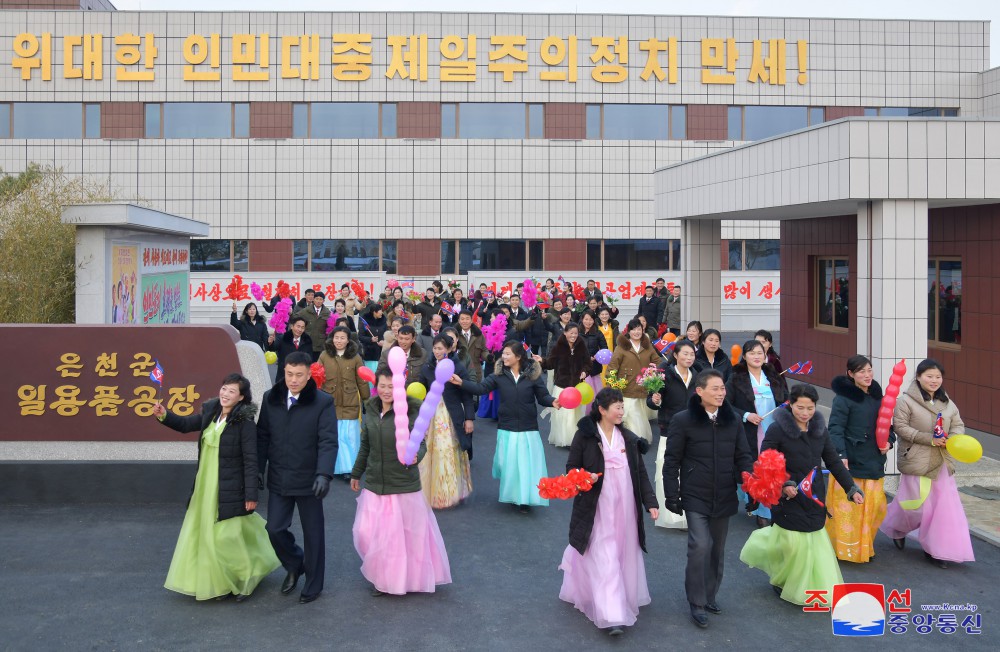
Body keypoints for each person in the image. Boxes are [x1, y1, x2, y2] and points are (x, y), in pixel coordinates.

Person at [154, 373, 280, 602]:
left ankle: (246, 578)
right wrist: (164, 416)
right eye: (224, 388)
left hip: (230, 487)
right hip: (205, 485)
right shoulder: (211, 412)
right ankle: (219, 583)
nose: (225, 394)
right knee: (206, 535)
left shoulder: (245, 422)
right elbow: (185, 425)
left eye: (232, 391)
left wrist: (251, 494)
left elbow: (251, 460)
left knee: (228, 537)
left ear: (241, 397)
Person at [740, 385, 863, 604]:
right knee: (792, 543)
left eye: (810, 408)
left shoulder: (819, 430)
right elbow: (766, 459)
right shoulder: (777, 429)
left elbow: (833, 461)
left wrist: (851, 488)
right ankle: (782, 578)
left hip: (813, 494)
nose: (805, 413)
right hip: (787, 495)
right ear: (790, 404)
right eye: (800, 407)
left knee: (812, 542)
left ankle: (807, 584)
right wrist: (784, 483)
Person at [558, 389, 659, 637]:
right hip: (597, 504)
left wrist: (650, 502)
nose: (621, 412)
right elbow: (571, 467)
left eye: (622, 407)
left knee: (623, 550)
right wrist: (584, 477)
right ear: (602, 410)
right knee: (604, 553)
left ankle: (616, 597)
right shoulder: (585, 435)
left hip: (625, 504)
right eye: (617, 407)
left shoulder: (628, 437)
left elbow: (640, 474)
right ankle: (612, 614)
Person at [662, 370, 754, 629]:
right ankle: (697, 601)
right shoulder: (683, 420)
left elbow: (743, 457)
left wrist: (752, 489)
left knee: (716, 549)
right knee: (700, 545)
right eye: (715, 389)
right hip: (694, 494)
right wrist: (672, 494)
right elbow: (672, 461)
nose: (721, 393)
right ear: (699, 391)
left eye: (722, 388)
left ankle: (710, 595)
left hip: (724, 494)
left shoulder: (733, 420)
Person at [350, 367, 452, 596]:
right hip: (375, 484)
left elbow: (421, 443)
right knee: (365, 532)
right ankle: (384, 574)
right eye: (382, 386)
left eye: (391, 386)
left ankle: (389, 581)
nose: (387, 391)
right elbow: (366, 445)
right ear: (376, 386)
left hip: (403, 484)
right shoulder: (371, 409)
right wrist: (356, 473)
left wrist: (417, 455)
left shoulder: (410, 411)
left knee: (398, 539)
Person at [257, 351, 338, 604]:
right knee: (274, 529)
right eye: (289, 374)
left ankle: (313, 585)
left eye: (299, 375)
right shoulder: (271, 398)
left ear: (308, 375)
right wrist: (259, 469)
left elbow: (328, 441)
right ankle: (294, 563)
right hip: (280, 477)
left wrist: (324, 474)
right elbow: (262, 436)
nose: (293, 380)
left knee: (314, 534)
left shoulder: (322, 402)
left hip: (309, 479)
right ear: (284, 373)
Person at [880, 359, 975, 568]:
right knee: (916, 505)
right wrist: (929, 438)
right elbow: (901, 427)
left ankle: (937, 550)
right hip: (917, 460)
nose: (934, 380)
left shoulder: (948, 403)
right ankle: (896, 526)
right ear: (919, 377)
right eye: (929, 376)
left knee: (944, 509)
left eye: (938, 377)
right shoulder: (905, 401)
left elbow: (958, 424)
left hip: (941, 462)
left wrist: (953, 438)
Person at [452, 341, 560, 513]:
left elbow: (542, 396)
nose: (504, 356)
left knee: (526, 465)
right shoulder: (498, 375)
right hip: (507, 426)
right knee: (508, 464)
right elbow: (480, 388)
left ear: (518, 356)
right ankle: (513, 494)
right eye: (504, 353)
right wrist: (461, 383)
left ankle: (524, 500)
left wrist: (553, 401)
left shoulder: (532, 375)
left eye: (508, 354)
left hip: (528, 427)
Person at [823, 356, 893, 563]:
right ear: (851, 374)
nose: (867, 375)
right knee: (848, 512)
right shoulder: (843, 399)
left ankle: (864, 547)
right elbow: (835, 429)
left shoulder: (878, 396)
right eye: (861, 371)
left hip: (874, 460)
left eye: (869, 370)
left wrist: (889, 441)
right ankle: (844, 550)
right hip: (850, 463)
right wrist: (840, 455)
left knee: (875, 508)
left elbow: (889, 425)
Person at [727, 339, 788, 527]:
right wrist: (745, 415)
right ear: (744, 356)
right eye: (752, 353)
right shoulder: (736, 379)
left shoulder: (774, 377)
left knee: (770, 470)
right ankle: (751, 499)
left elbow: (786, 400)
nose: (756, 356)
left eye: (760, 353)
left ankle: (765, 509)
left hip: (773, 430)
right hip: (749, 432)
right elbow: (726, 404)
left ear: (765, 355)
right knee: (751, 470)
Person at [418, 334, 475, 509]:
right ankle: (428, 492)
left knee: (448, 451)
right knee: (429, 452)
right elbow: (420, 390)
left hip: (451, 415)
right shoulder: (427, 367)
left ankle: (450, 492)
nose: (437, 351)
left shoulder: (458, 367)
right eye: (434, 348)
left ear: (449, 349)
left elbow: (467, 395)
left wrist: (469, 418)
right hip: (431, 413)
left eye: (440, 348)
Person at [647, 339, 697, 530]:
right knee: (667, 471)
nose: (689, 357)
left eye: (692, 354)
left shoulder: (698, 376)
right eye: (685, 354)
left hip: (693, 432)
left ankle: (691, 514)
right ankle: (671, 515)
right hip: (669, 430)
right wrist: (655, 399)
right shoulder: (663, 376)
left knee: (690, 471)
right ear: (675, 355)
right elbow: (650, 403)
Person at [318, 327, 371, 480]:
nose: (339, 341)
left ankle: (350, 469)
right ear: (332, 338)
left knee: (349, 436)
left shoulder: (355, 357)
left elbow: (362, 380)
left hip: (350, 402)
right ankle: (332, 468)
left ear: (348, 340)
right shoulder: (324, 355)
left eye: (342, 338)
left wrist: (366, 400)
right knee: (333, 436)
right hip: (330, 402)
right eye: (336, 337)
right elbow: (317, 377)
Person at [606, 319, 660, 444]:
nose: (636, 332)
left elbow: (657, 361)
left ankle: (630, 440)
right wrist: (611, 385)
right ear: (628, 331)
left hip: (643, 386)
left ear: (642, 330)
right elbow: (612, 367)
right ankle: (633, 440)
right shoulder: (621, 347)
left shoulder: (647, 346)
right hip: (626, 387)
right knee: (631, 415)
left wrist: (653, 372)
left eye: (639, 329)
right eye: (633, 329)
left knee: (639, 414)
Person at [538, 322, 589, 447]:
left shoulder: (582, 345)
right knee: (563, 415)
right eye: (571, 333)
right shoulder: (558, 347)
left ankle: (574, 439)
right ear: (565, 333)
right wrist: (542, 361)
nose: (573, 336)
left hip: (577, 387)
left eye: (576, 333)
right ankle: (564, 439)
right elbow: (550, 363)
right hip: (562, 386)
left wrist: (584, 372)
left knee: (575, 415)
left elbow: (588, 363)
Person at [577, 310, 605, 412]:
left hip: (594, 367)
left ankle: (596, 413)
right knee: (582, 393)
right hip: (580, 367)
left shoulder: (598, 333)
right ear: (582, 320)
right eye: (586, 319)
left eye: (591, 319)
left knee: (596, 394)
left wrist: (595, 356)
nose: (588, 322)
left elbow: (604, 349)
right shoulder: (577, 332)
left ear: (594, 320)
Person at [295, 292, 331, 361]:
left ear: (323, 301)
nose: (318, 301)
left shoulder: (327, 313)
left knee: (318, 365)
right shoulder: (306, 311)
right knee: (306, 363)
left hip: (320, 344)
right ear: (313, 299)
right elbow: (295, 317)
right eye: (317, 299)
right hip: (308, 342)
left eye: (320, 299)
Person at [456, 310, 486, 383]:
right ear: (459, 321)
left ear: (471, 320)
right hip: (458, 373)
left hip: (475, 372)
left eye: (467, 319)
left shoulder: (479, 335)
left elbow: (484, 350)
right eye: (462, 319)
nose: (465, 321)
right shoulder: (454, 335)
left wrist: (488, 357)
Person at [596, 306, 619, 383]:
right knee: (601, 373)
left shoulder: (613, 325)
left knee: (610, 373)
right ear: (599, 315)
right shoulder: (596, 326)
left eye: (606, 314)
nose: (604, 316)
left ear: (609, 315)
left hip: (611, 352)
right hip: (600, 354)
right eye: (602, 314)